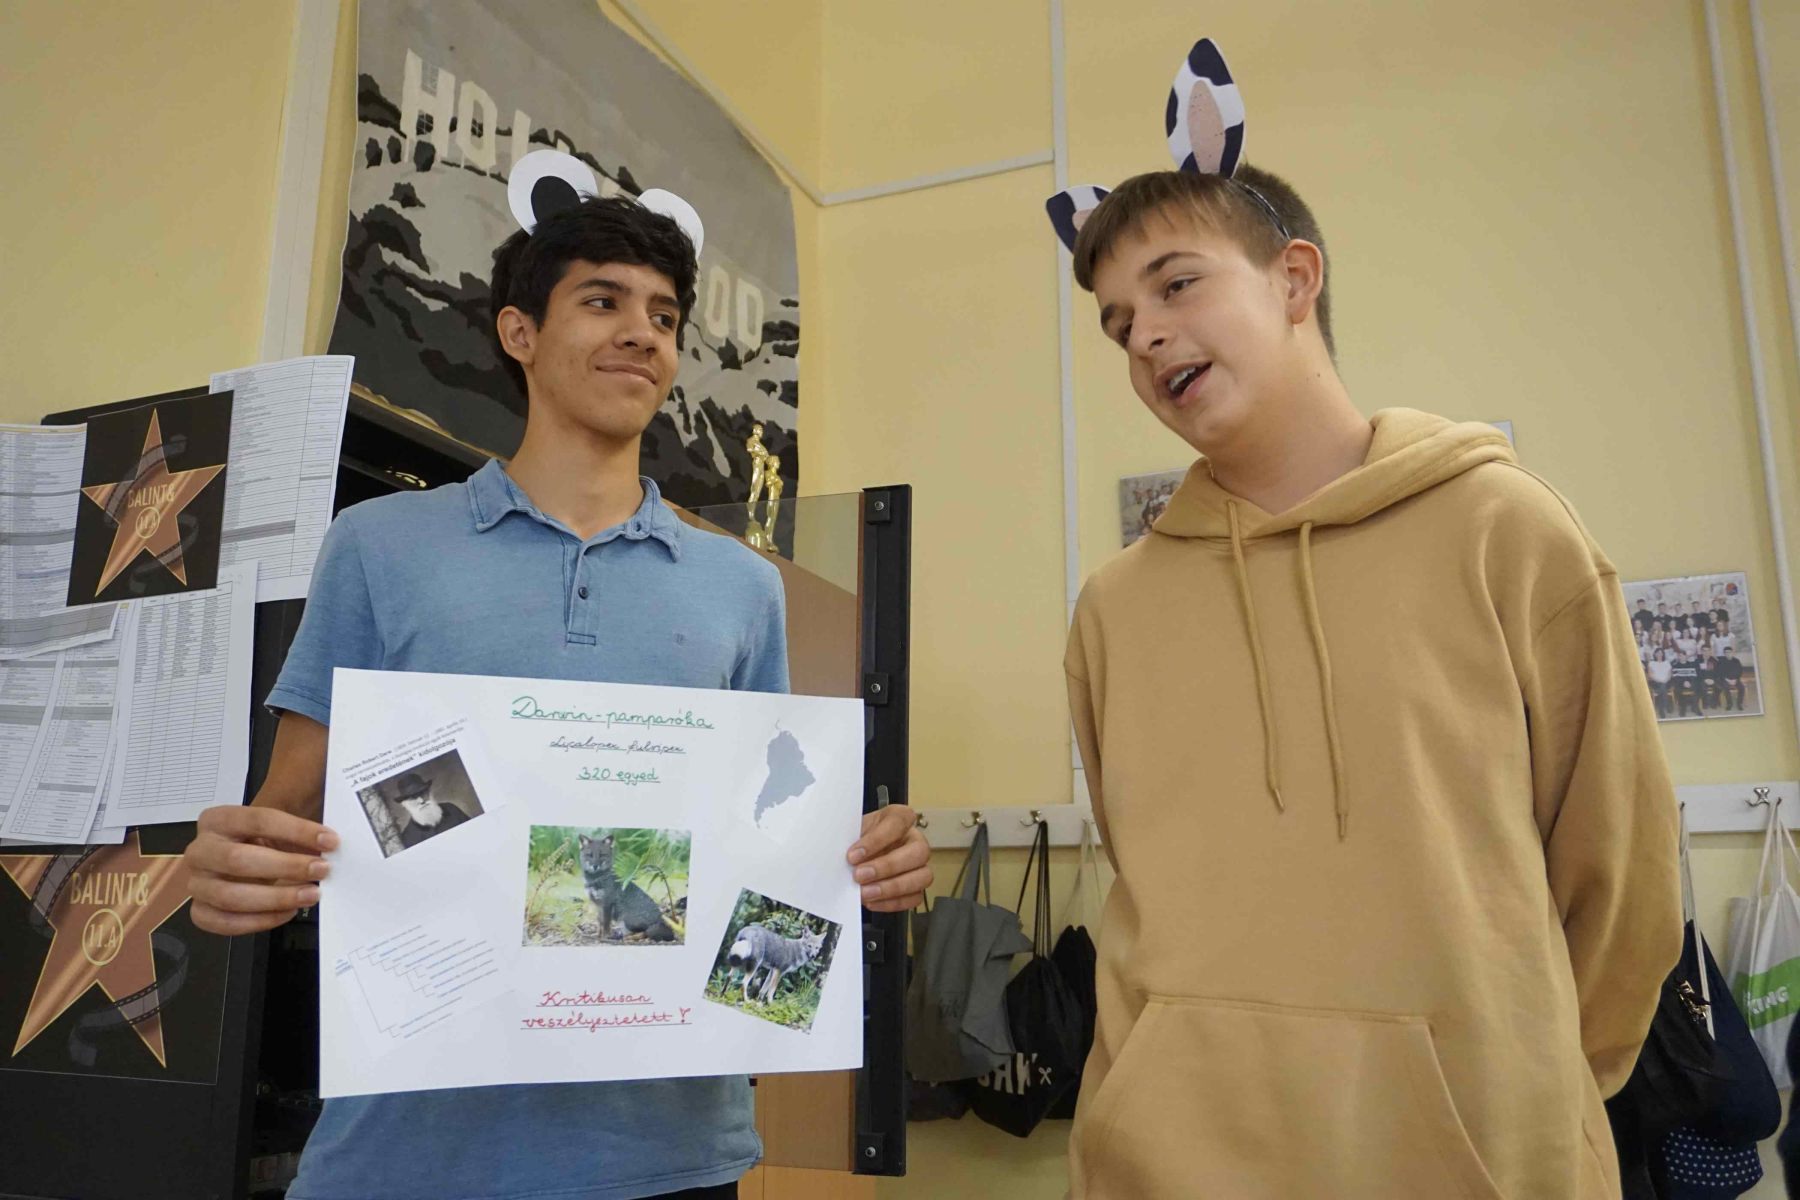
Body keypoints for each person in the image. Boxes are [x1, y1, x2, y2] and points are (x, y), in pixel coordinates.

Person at [180, 175, 931, 1200]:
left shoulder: (742, 588)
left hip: (672, 1152)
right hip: (411, 1153)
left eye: (664, 316)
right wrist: (234, 868)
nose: (642, 334)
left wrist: (862, 864)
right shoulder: (380, 546)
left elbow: (767, 841)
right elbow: (286, 817)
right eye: (603, 301)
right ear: (520, 332)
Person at [1050, 38, 1679, 1200]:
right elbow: (1143, 878)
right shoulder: (1113, 609)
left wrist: (1509, 1089)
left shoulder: (1505, 529)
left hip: (1477, 1160)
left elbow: (1622, 883)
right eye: (1118, 320)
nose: (1143, 336)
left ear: (1295, 280)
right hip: (1166, 1163)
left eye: (1177, 285)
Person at [388, 770, 471, 848]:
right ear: (405, 804)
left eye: (422, 793)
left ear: (429, 792)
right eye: (413, 798)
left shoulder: (451, 810)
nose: (421, 801)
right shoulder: (408, 838)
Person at [1648, 649, 1674, 718]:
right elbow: (1650, 675)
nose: (1659, 654)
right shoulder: (1651, 663)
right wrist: (1659, 680)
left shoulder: (1667, 662)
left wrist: (1665, 680)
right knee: (1662, 687)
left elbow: (1670, 674)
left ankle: (1661, 709)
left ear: (1663, 654)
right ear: (1655, 654)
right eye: (1658, 653)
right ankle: (1667, 705)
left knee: (1663, 687)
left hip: (1666, 681)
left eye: (1661, 653)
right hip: (1655, 682)